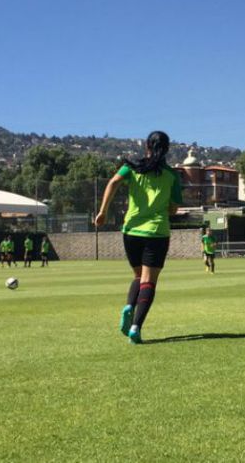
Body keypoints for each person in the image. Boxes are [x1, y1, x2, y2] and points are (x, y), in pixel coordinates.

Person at [94, 131, 182, 345]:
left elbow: (113, 182)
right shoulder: (172, 175)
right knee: (148, 281)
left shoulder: (132, 167)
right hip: (156, 233)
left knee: (138, 276)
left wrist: (103, 211)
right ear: (167, 149)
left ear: (146, 147)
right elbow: (173, 208)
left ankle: (128, 307)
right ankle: (136, 327)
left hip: (131, 231)